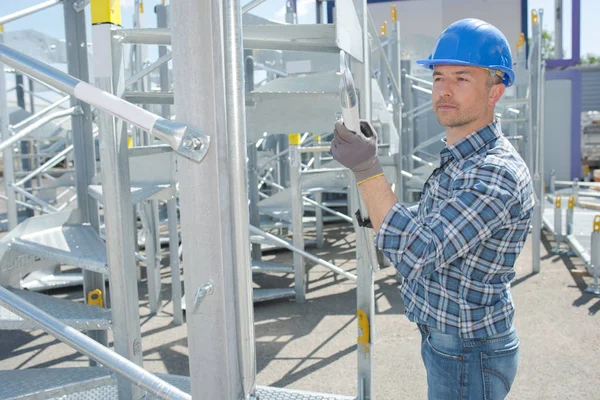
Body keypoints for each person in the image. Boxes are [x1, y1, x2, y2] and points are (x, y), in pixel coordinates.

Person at [331, 19, 534, 399]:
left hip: (470, 351)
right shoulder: (463, 159)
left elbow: (419, 250)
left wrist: (366, 168)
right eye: (439, 77)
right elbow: (434, 226)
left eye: (461, 78)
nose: (444, 90)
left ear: (495, 91)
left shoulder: (494, 173)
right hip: (452, 341)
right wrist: (378, 202)